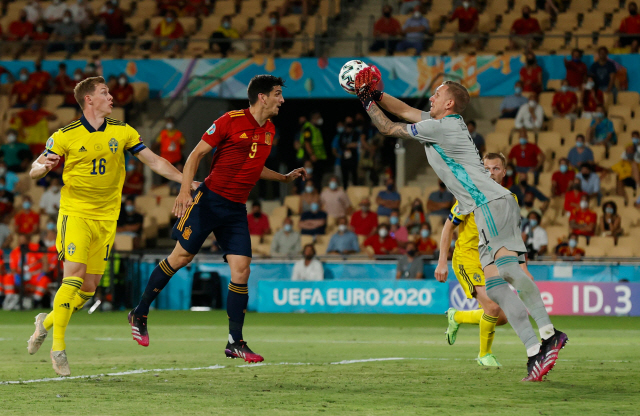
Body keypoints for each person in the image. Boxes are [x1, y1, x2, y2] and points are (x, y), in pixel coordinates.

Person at [355, 68, 566, 380]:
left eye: (437, 94)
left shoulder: (442, 129)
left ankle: (548, 333)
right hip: (486, 208)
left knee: (507, 273)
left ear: (449, 104)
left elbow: (389, 127)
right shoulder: (442, 122)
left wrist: (366, 102)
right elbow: (406, 110)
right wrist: (376, 93)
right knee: (496, 288)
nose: (431, 97)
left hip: (490, 203)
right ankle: (535, 351)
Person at [26, 75, 198, 377]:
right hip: (75, 213)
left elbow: (155, 161)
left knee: (89, 289)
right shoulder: (65, 135)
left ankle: (47, 321)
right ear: (89, 100)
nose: (111, 97)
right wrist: (42, 167)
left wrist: (187, 180)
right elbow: (34, 170)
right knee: (75, 277)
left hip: (107, 218)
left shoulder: (123, 130)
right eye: (105, 93)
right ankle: (57, 348)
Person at [128, 76, 305, 364]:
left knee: (242, 269)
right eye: (277, 94)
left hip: (235, 209)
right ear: (262, 97)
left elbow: (254, 167)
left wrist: (283, 178)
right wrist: (185, 190)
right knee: (181, 257)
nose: (281, 100)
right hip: (209, 200)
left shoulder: (270, 130)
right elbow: (195, 155)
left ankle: (235, 341)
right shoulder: (229, 120)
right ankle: (140, 311)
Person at [434, 152, 538, 366]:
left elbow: (513, 236)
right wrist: (442, 261)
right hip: (467, 258)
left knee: (501, 317)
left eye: (495, 168)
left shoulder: (510, 199)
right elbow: (448, 227)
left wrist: (523, 268)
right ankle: (484, 355)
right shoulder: (469, 195)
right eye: (486, 169)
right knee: (491, 307)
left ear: (504, 172)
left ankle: (457, 317)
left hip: (490, 261)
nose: (490, 173)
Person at [296, 112, 327, 190]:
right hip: (308, 157)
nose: (320, 119)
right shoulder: (308, 128)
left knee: (316, 177)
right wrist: (311, 155)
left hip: (317, 157)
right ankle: (302, 192)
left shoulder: (316, 128)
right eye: (318, 117)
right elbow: (307, 143)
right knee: (307, 177)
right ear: (314, 118)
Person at [336, 118, 359, 187]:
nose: (348, 129)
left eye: (350, 127)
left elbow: (356, 144)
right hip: (344, 158)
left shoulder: (355, 133)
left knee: (354, 175)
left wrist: (349, 145)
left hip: (353, 158)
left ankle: (355, 188)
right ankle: (345, 189)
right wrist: (349, 145)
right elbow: (341, 145)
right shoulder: (342, 134)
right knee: (344, 176)